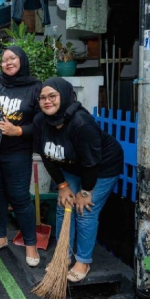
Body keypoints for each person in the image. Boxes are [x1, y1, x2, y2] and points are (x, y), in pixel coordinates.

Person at [33, 77, 123, 282]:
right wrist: (63, 186)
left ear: (65, 96)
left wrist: (85, 192)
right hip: (71, 166)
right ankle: (63, 255)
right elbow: (47, 156)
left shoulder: (81, 123)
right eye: (42, 98)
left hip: (101, 168)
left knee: (84, 210)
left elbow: (91, 164)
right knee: (63, 205)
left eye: (52, 96)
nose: (47, 101)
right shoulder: (41, 121)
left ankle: (83, 260)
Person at [0, 46, 42, 267]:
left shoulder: (34, 87)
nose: (8, 63)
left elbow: (41, 123)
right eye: (4, 60)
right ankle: (1, 235)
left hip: (18, 153)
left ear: (22, 60)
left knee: (20, 198)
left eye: (13, 58)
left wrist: (18, 131)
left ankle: (30, 243)